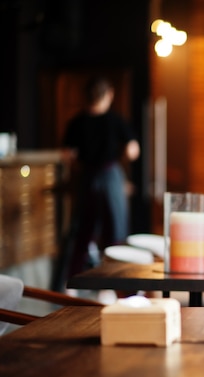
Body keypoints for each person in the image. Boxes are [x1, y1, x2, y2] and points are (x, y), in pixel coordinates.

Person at [52, 76, 140, 293]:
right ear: (108, 95)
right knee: (115, 231)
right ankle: (118, 286)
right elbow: (133, 150)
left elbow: (67, 155)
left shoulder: (76, 122)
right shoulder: (115, 120)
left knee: (83, 230)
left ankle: (70, 284)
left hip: (88, 178)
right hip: (109, 176)